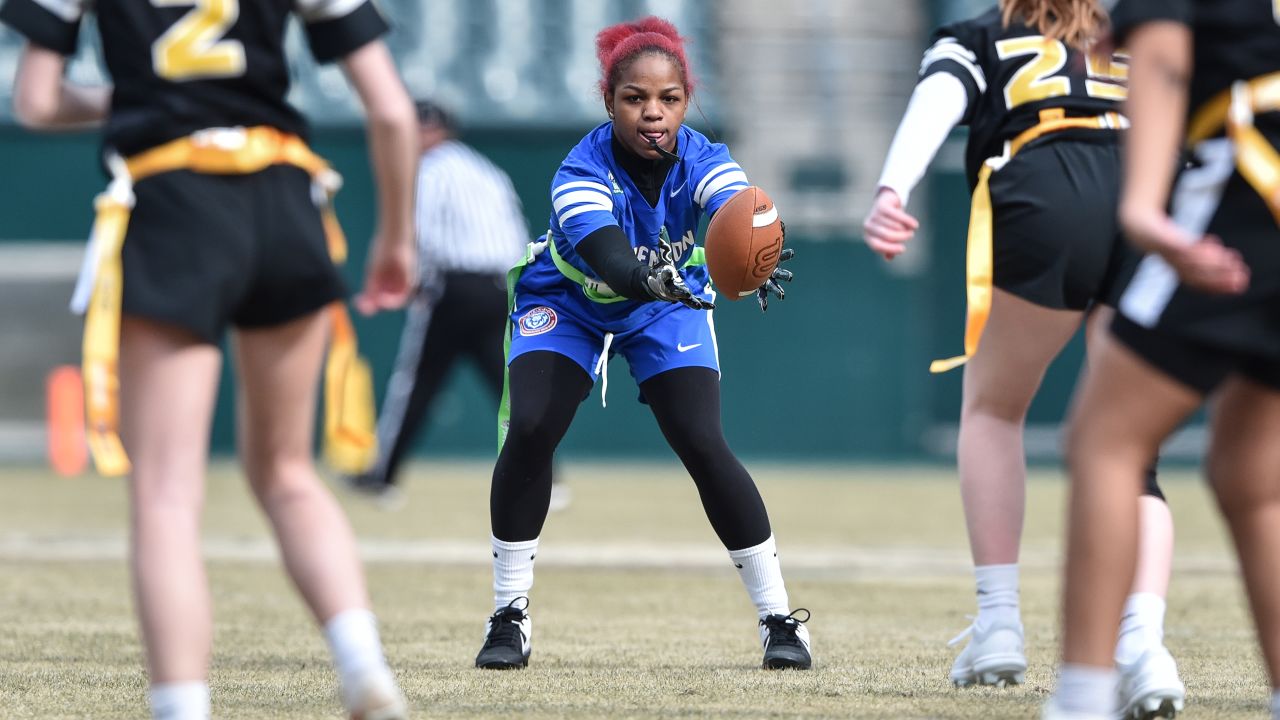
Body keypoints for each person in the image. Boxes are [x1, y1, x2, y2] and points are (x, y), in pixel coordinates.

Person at [1, 0, 419, 718]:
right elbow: (391, 111)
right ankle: (363, 667)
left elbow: (35, 102)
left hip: (175, 195)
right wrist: (396, 239)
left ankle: (182, 706)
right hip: (287, 198)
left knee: (166, 495)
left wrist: (141, 96)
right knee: (288, 473)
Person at [862, 0, 1184, 711]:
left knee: (994, 408)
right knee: (1133, 448)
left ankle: (1000, 622)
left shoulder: (983, 32)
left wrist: (891, 191)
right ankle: (1142, 641)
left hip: (1047, 189)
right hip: (1150, 198)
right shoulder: (1146, 27)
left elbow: (936, 100)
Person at [472, 16, 807, 672]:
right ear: (609, 101)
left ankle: (778, 621)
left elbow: (737, 205)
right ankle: (509, 614)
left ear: (686, 101)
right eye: (635, 98)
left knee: (703, 441)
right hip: (567, 300)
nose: (654, 114)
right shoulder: (580, 169)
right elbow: (608, 257)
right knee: (533, 425)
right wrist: (644, 276)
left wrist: (758, 248)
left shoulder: (705, 156)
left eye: (669, 99)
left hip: (665, 305)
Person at [1045, 1, 1280, 718]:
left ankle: (1082, 700)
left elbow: (1166, 57)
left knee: (1105, 441)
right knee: (1250, 473)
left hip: (1247, 195)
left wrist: (1144, 210)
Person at [345, 99, 568, 511]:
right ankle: (550, 480)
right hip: (502, 286)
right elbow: (515, 231)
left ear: (430, 132)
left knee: (417, 384)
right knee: (511, 388)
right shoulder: (486, 170)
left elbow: (419, 231)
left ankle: (382, 476)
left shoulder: (428, 171)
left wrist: (411, 280)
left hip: (454, 287)